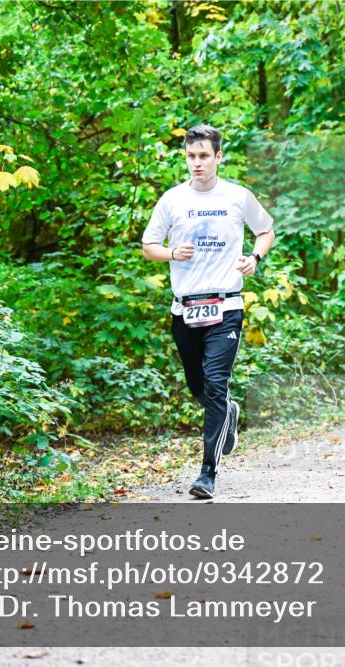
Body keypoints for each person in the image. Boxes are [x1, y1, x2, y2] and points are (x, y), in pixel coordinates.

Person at [142, 124, 275, 498]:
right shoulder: (172, 200)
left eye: (204, 156)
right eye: (191, 156)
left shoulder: (237, 196)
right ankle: (228, 412)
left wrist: (255, 257)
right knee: (199, 387)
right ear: (185, 157)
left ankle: (207, 474)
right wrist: (171, 253)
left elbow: (266, 229)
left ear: (218, 157)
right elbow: (149, 245)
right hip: (185, 309)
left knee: (216, 383)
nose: (197, 163)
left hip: (226, 305)